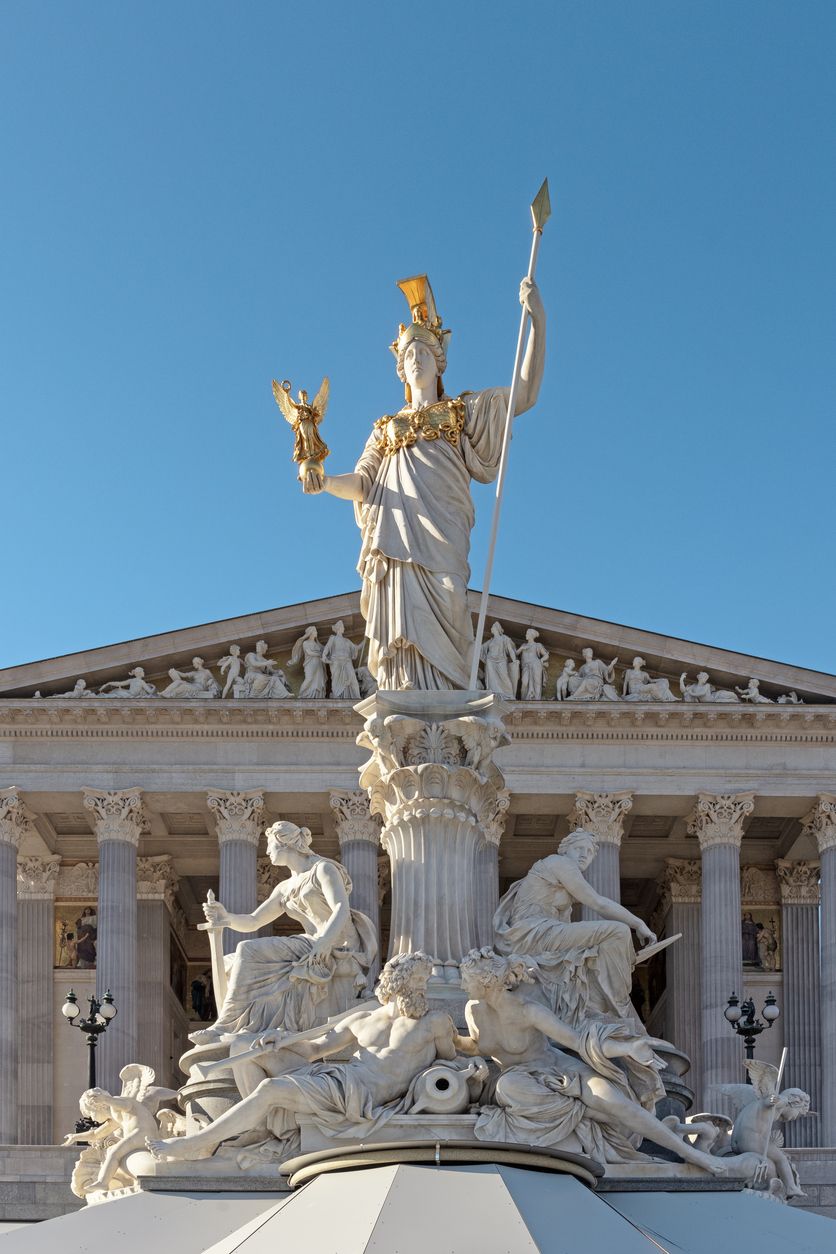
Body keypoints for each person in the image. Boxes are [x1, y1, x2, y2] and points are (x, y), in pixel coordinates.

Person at [302, 275, 545, 691]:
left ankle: (449, 704)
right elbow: (363, 484)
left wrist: (537, 320)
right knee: (401, 631)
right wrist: (324, 481)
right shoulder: (385, 429)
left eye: (424, 352)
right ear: (400, 367)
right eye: (409, 354)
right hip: (397, 542)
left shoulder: (462, 411)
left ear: (439, 361)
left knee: (453, 597)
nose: (415, 360)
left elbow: (524, 396)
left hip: (443, 533)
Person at [147, 952, 456, 1163]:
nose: (423, 986)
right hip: (339, 1080)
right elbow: (314, 1050)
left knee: (271, 1090)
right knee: (245, 1046)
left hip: (360, 1096)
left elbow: (450, 1061)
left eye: (424, 980)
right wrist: (279, 1041)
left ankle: (200, 1142)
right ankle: (259, 1129)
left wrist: (476, 1058)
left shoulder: (435, 1021)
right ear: (398, 981)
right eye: (418, 978)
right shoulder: (363, 1019)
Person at [454, 949, 724, 1175]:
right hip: (523, 1080)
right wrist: (453, 1040)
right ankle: (593, 1115)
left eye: (467, 979)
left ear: (487, 981)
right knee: (508, 1086)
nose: (463, 985)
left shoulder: (529, 1011)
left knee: (617, 1103)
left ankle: (694, 1155)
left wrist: (627, 1046)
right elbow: (478, 1044)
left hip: (558, 1070)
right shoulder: (473, 1010)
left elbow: (578, 1041)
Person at [192, 821, 377, 1056]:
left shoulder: (322, 869)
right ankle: (243, 1025)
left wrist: (324, 943)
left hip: (337, 946)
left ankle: (224, 1025)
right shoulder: (285, 887)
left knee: (247, 951)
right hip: (310, 943)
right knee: (232, 961)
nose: (267, 851)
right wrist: (225, 917)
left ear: (285, 842)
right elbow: (253, 921)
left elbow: (341, 907)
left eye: (270, 845)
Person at [493, 828, 654, 1029]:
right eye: (578, 848)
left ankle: (599, 1006)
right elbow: (598, 903)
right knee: (618, 932)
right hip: (533, 933)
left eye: (589, 852)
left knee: (593, 951)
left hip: (543, 933)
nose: (584, 855)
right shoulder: (558, 863)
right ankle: (616, 1008)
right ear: (564, 850)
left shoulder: (559, 879)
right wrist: (638, 923)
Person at [322, 621, 361, 699]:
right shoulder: (333, 638)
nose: (344, 628)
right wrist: (324, 657)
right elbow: (326, 648)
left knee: (353, 679)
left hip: (347, 662)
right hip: (336, 662)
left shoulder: (347, 641)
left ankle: (356, 696)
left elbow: (356, 648)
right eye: (343, 627)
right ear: (339, 628)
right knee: (336, 680)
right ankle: (337, 696)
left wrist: (367, 638)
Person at [480, 622, 519, 698]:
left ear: (497, 628)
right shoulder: (491, 640)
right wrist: (474, 642)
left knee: (504, 676)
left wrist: (514, 660)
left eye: (493, 627)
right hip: (490, 661)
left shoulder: (505, 638)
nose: (491, 629)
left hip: (501, 660)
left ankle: (509, 695)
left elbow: (510, 650)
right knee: (492, 679)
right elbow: (481, 648)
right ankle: (494, 694)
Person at [289, 627, 327, 699]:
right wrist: (320, 654)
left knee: (319, 681)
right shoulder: (306, 643)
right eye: (315, 631)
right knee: (309, 679)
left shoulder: (317, 644)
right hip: (310, 664)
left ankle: (318, 696)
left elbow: (325, 650)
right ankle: (301, 695)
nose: (316, 632)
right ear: (310, 633)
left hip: (318, 665)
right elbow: (309, 652)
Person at [517, 629, 549, 701]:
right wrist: (521, 648)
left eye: (527, 634)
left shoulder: (537, 645)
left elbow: (546, 655)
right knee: (524, 683)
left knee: (537, 682)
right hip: (526, 666)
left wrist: (541, 660)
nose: (526, 635)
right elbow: (516, 653)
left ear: (531, 635)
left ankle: (537, 699)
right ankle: (524, 699)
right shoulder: (524, 645)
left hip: (536, 665)